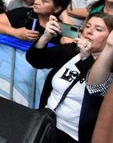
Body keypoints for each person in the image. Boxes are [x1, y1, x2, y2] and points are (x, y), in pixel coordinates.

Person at [26, 13, 113, 142]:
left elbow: (94, 87)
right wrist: (45, 36)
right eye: (87, 26)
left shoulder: (109, 67)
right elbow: (35, 60)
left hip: (74, 136)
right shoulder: (71, 50)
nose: (89, 31)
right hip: (45, 124)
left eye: (98, 29)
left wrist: (86, 58)